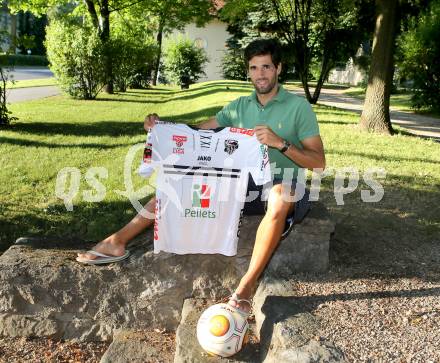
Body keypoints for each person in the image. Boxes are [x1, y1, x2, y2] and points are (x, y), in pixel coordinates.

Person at [77, 38, 325, 314]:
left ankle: (245, 288)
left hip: (285, 184)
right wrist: (162, 127)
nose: (260, 74)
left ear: (278, 68)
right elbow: (198, 131)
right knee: (178, 185)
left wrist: (281, 143)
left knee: (280, 196)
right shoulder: (240, 107)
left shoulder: (298, 108)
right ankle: (117, 241)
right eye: (254, 68)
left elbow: (318, 162)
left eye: (266, 66)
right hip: (244, 185)